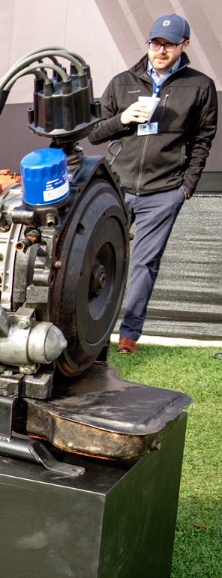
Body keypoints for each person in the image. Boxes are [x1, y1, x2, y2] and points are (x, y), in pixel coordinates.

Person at [88, 13, 217, 355]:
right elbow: (95, 132)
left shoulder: (200, 86)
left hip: (164, 191)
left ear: (183, 46)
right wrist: (123, 118)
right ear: (148, 43)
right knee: (94, 255)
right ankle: (86, 327)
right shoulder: (121, 82)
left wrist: (185, 188)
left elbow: (203, 140)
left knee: (145, 264)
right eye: (155, 43)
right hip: (118, 186)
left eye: (169, 45)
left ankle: (129, 335)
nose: (160, 51)